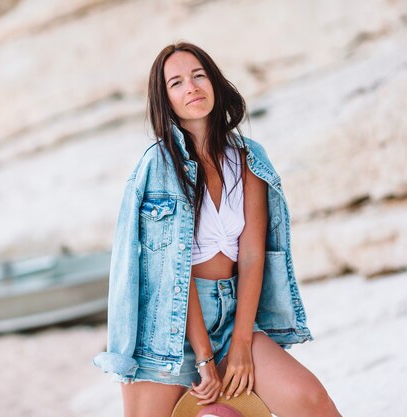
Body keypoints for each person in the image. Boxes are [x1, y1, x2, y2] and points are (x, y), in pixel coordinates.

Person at [92, 42, 342, 417]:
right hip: (167, 328)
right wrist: (204, 357)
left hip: (234, 314)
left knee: (311, 402)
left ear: (214, 82)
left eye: (198, 76)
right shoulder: (157, 167)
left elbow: (254, 253)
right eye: (176, 83)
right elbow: (173, 270)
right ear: (166, 101)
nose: (191, 87)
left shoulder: (248, 158)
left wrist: (242, 341)